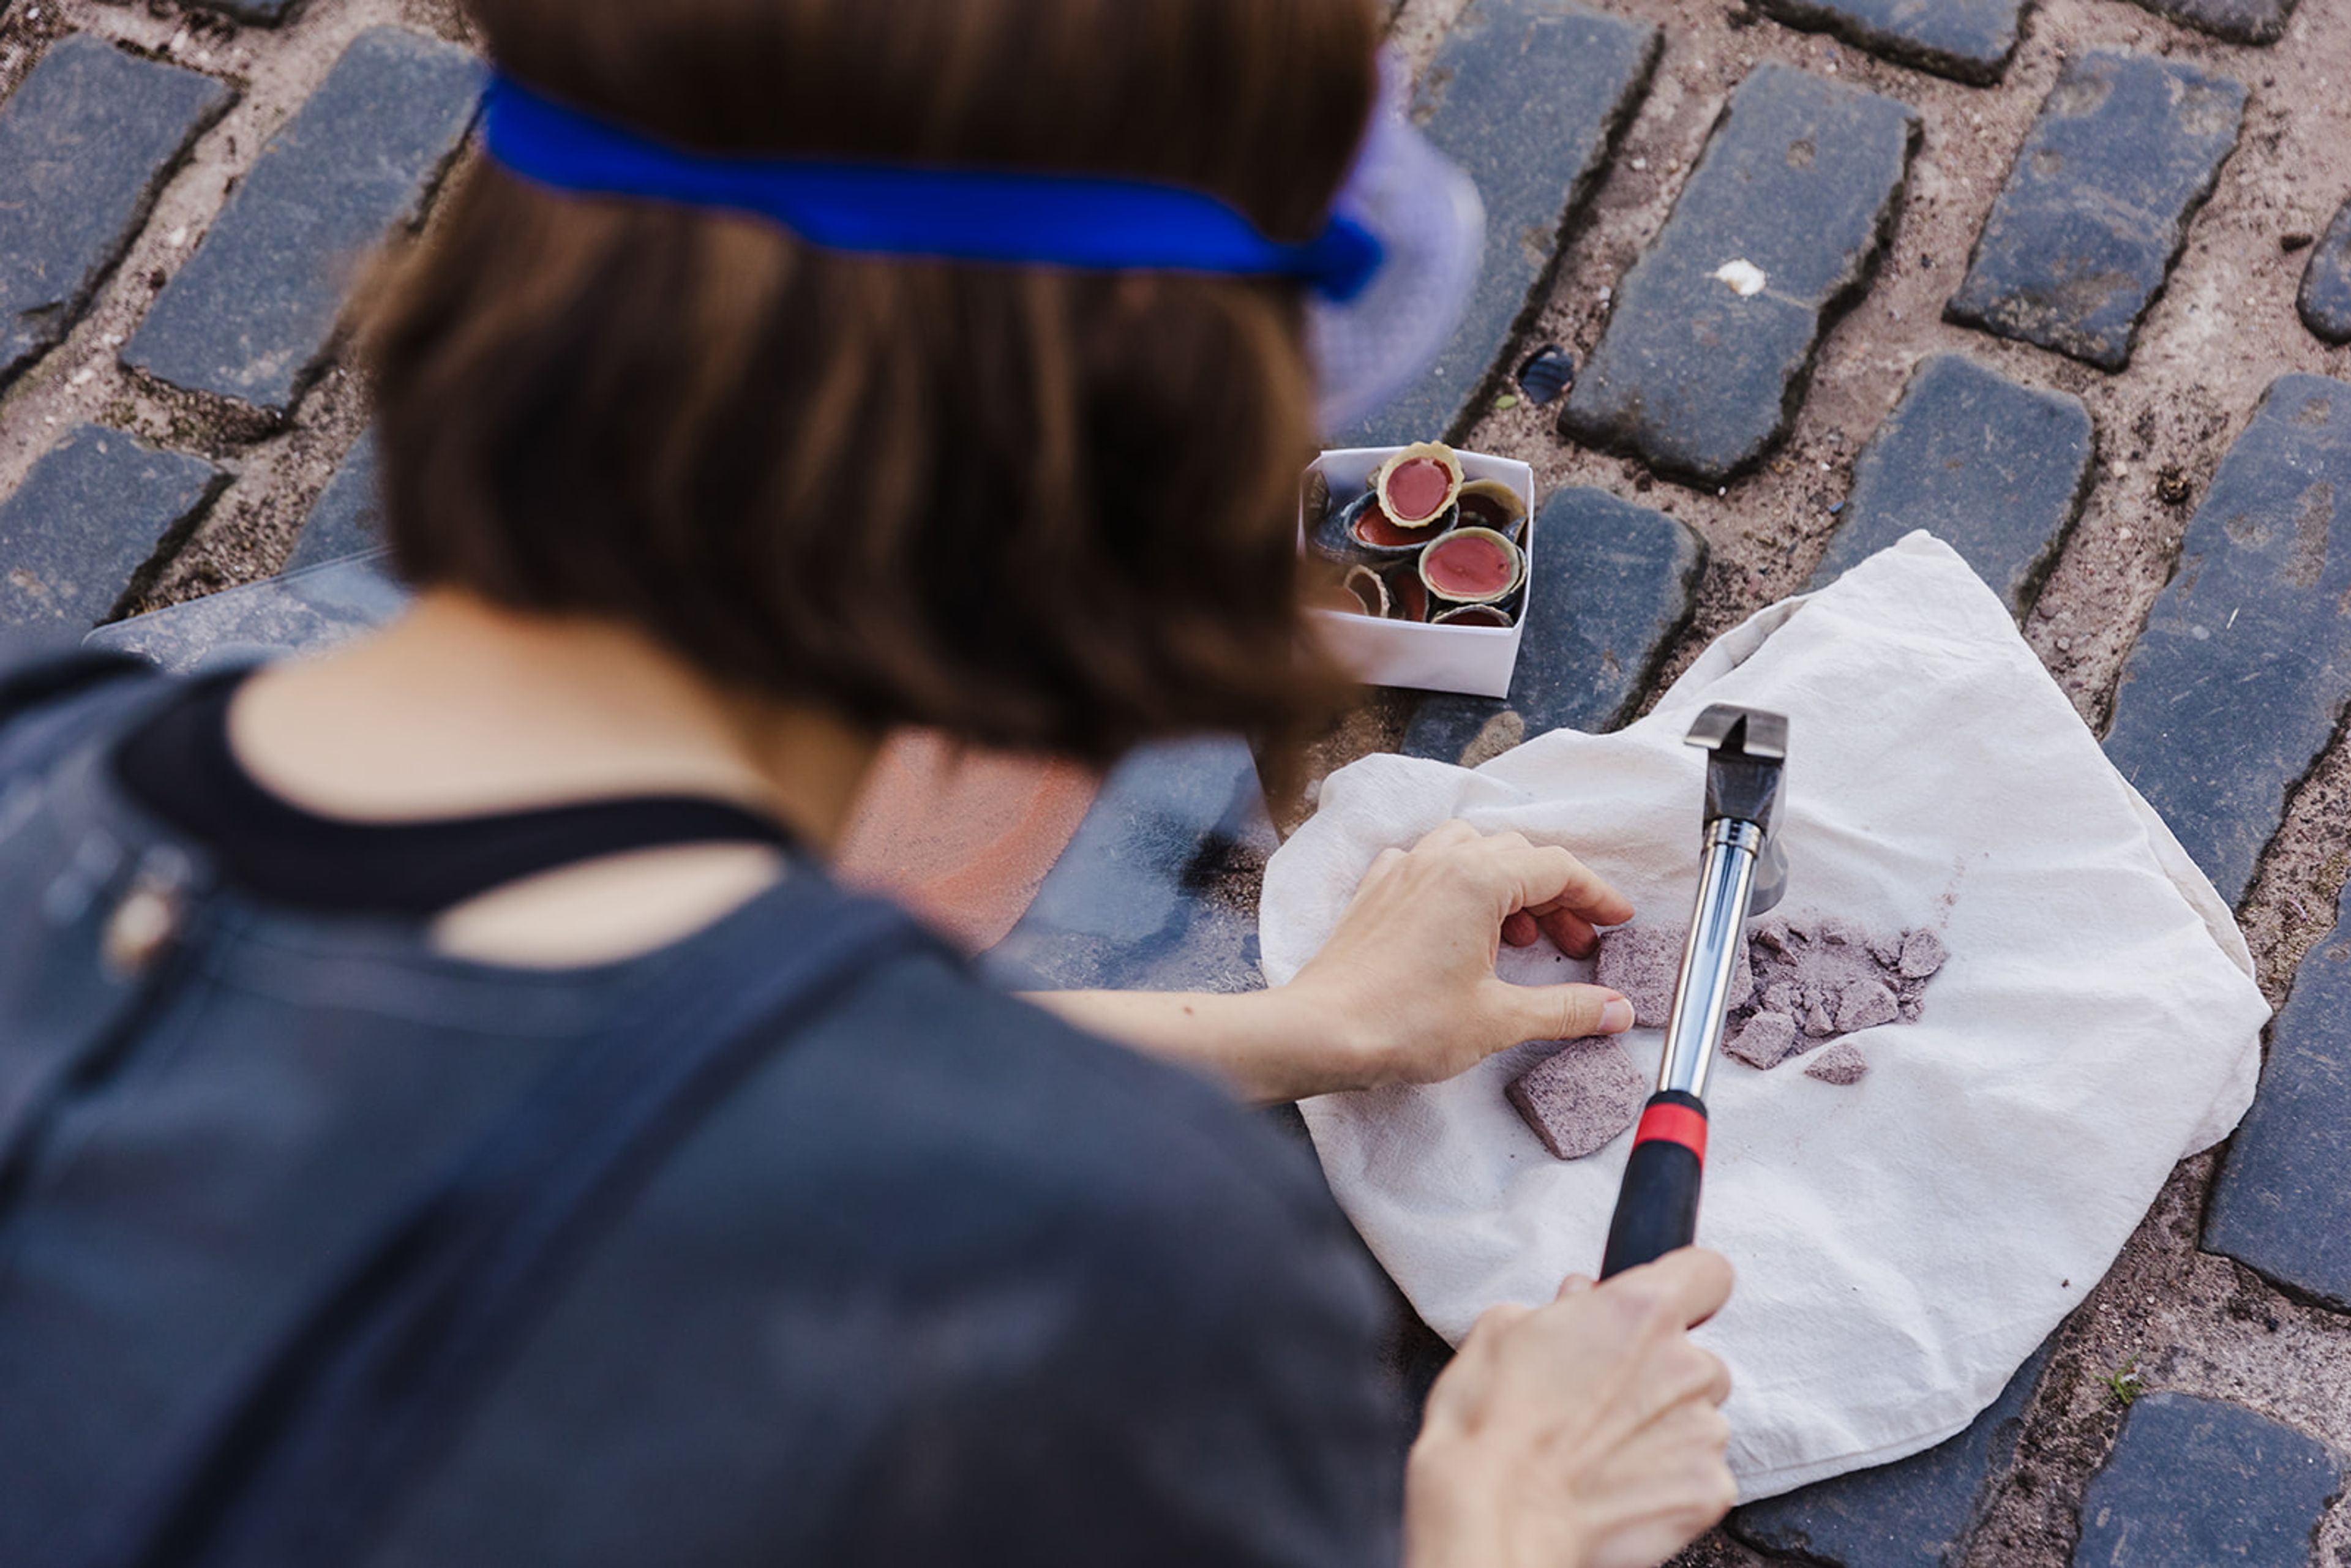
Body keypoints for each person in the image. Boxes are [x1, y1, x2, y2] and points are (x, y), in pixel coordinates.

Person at [0, 0, 1738, 1564]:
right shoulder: (1110, 1282)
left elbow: (477, 1056)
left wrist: (1303, 1031)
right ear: (1130, 444)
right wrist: (1508, 1524)